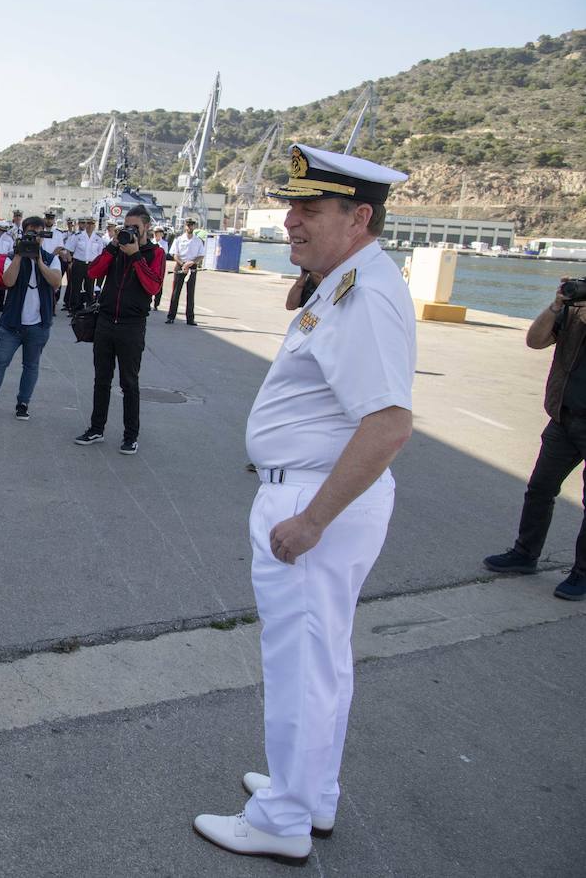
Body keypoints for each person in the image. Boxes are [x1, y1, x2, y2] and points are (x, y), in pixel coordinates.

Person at [193, 144, 415, 863]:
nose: (289, 221)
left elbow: (388, 423)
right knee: (321, 663)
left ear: (360, 217)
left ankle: (283, 818)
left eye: (308, 210)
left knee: (300, 668)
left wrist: (313, 520)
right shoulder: (348, 279)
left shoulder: (365, 293)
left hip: (316, 506)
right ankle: (309, 791)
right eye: (291, 206)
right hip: (314, 494)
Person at [482, 277, 586, 601]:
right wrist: (557, 306)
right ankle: (525, 554)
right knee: (540, 488)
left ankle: (581, 574)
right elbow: (535, 340)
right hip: (564, 417)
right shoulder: (571, 312)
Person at [75, 206, 164, 455]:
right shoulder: (115, 250)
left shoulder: (155, 253)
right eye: (127, 226)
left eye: (135, 227)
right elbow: (92, 272)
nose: (130, 231)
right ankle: (96, 428)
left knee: (129, 383)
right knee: (101, 379)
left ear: (146, 227)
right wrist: (113, 247)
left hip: (132, 326)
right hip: (105, 321)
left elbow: (153, 287)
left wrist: (136, 256)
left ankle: (130, 436)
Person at [0, 215, 61, 421]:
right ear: (22, 233)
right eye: (30, 233)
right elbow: (8, 281)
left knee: (31, 366)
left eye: (38, 235)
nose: (34, 238)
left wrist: (38, 259)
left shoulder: (50, 258)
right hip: (12, 324)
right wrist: (21, 255)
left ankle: (23, 403)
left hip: (38, 325)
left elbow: (56, 281)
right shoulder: (13, 256)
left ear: (43, 237)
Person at [166, 217, 204, 325]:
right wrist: (183, 264)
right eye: (188, 225)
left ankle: (190, 319)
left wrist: (191, 263)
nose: (190, 227)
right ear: (185, 226)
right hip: (180, 266)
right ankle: (171, 316)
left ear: (194, 226)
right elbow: (174, 254)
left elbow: (201, 255)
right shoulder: (179, 239)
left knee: (190, 293)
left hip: (192, 267)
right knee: (176, 292)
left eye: (191, 225)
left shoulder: (198, 241)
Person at [65, 216, 103, 314]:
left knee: (89, 287)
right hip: (78, 263)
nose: (90, 226)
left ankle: (89, 308)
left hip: (91, 265)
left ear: (95, 225)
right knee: (76, 287)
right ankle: (74, 309)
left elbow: (100, 255)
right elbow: (68, 250)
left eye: (92, 224)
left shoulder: (98, 238)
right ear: (85, 225)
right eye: (88, 224)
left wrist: (98, 267)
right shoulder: (77, 236)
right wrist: (70, 263)